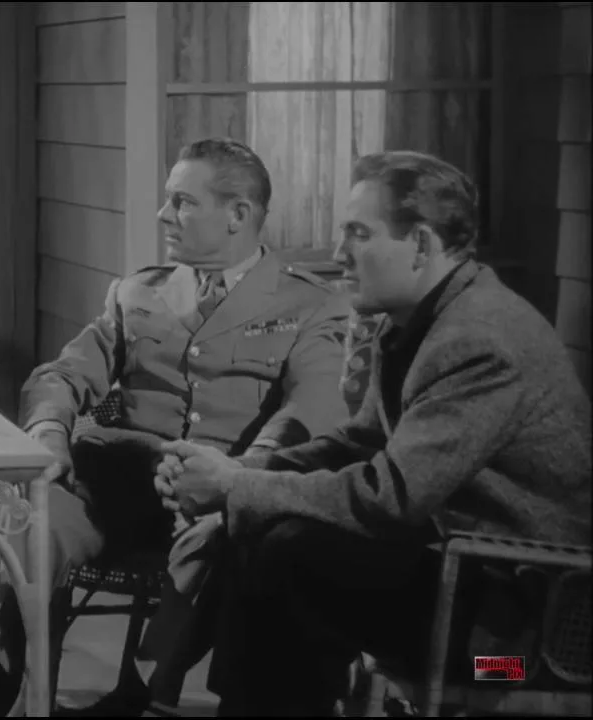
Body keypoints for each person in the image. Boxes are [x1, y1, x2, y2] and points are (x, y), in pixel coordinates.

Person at [155, 150, 593, 716]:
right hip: (459, 578)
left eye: (358, 234)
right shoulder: (415, 320)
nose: (339, 253)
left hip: (517, 647)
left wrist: (234, 490)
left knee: (292, 553)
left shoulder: (480, 339)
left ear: (422, 245)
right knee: (270, 539)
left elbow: (391, 497)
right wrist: (242, 472)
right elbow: (358, 443)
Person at [0, 137, 353, 715]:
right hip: (121, 487)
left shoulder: (311, 305)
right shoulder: (138, 292)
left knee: (217, 540)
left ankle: (149, 695)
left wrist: (236, 477)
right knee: (31, 516)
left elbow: (312, 411)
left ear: (238, 214)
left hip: (216, 499)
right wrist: (49, 433)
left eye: (182, 202)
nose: (163, 214)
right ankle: (10, 690)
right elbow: (63, 374)